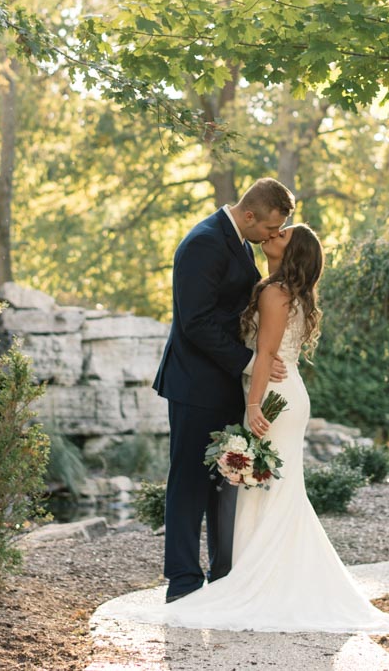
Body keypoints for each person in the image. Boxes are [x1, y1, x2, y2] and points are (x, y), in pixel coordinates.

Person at [162, 224, 389, 634]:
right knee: (272, 490)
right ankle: (258, 574)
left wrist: (253, 404)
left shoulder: (273, 292)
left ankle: (259, 581)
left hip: (273, 398)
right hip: (282, 393)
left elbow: (264, 356)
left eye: (282, 234)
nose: (272, 235)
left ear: (291, 250)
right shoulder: (278, 289)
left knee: (267, 490)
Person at [153, 179, 294, 603]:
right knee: (189, 483)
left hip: (225, 385)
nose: (272, 236)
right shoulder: (203, 242)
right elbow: (195, 322)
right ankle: (182, 583)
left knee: (226, 480)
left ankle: (224, 574)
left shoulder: (240, 240)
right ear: (249, 215)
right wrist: (253, 363)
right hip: (195, 385)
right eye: (270, 228)